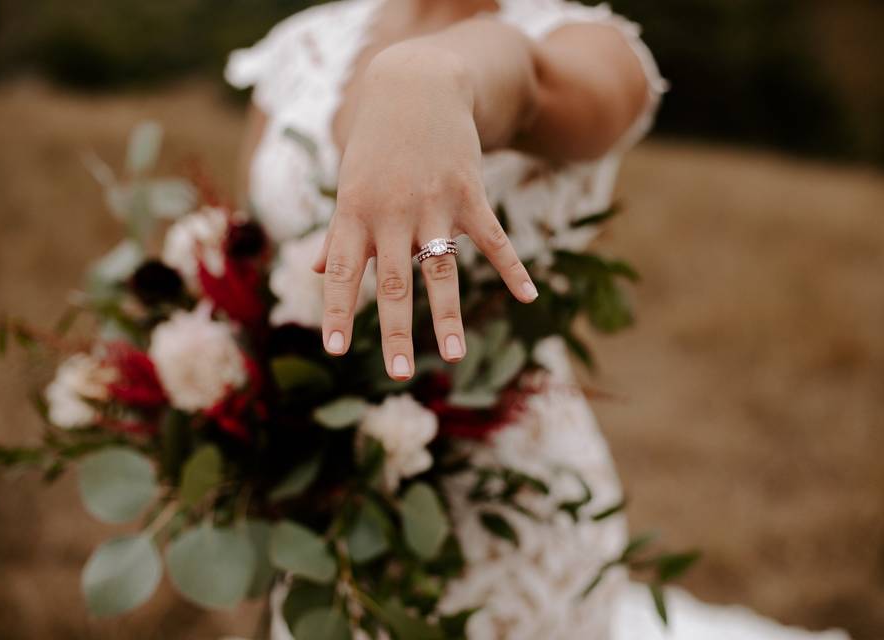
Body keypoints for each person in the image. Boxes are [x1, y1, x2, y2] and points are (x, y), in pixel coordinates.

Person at [227, 1, 851, 638]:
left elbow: (523, 82)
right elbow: (245, 253)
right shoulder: (304, 45)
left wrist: (432, 75)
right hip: (321, 491)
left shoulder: (591, 49)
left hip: (504, 501)